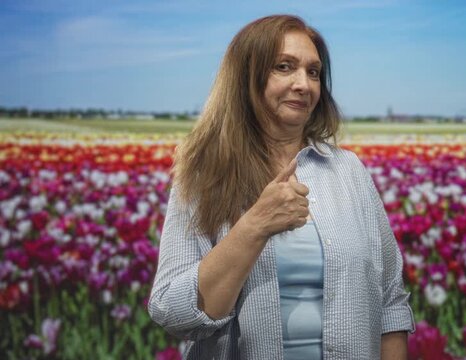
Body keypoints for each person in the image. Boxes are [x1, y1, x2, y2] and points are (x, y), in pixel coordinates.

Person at [148, 14, 415, 359]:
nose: (304, 84)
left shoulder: (348, 171)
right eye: (284, 67)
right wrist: (255, 225)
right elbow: (172, 311)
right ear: (246, 79)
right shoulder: (204, 174)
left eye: (313, 72)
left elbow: (390, 298)